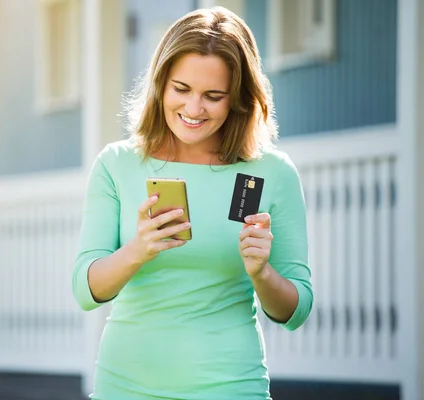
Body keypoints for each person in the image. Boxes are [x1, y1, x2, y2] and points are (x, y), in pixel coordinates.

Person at [72, 6, 313, 400]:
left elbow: (295, 311)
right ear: (160, 83)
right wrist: (137, 250)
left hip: (231, 386)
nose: (194, 109)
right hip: (125, 385)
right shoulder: (117, 164)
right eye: (181, 89)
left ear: (238, 98)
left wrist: (261, 272)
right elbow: (85, 290)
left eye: (213, 96)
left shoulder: (270, 173)